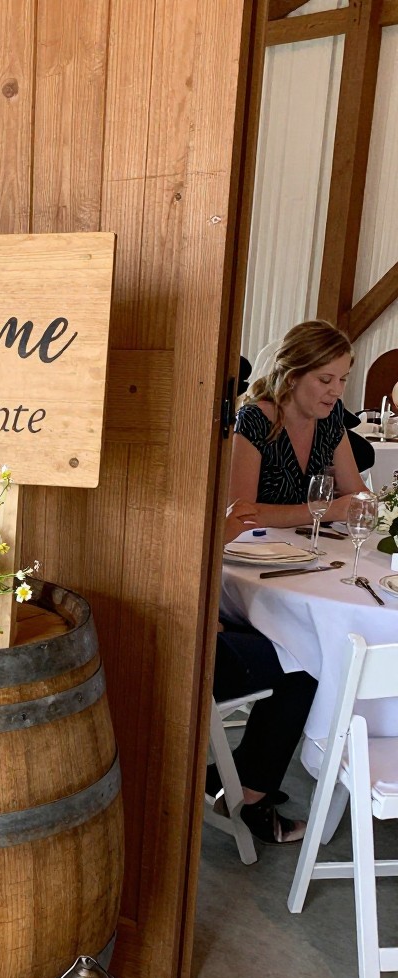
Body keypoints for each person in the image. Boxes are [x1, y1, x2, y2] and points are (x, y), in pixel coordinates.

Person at [210, 501, 317, 844]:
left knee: (281, 640)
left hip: (176, 643)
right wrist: (221, 532)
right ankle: (252, 799)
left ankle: (238, 771)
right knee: (306, 661)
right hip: (189, 657)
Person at [230, 320, 365, 524]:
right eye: (325, 380)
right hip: (258, 549)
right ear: (292, 377)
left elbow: (357, 495)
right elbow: (240, 514)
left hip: (312, 547)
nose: (337, 391)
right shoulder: (253, 420)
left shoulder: (331, 416)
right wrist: (325, 511)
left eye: (343, 379)